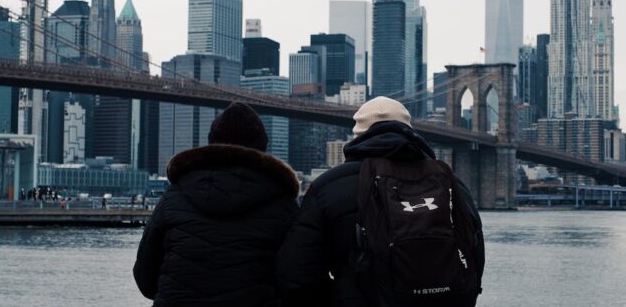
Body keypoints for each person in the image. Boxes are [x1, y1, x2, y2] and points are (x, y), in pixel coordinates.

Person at [277, 96, 484, 307]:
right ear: (411, 132)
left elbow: (296, 275)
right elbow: (475, 257)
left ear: (357, 136)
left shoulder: (329, 186)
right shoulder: (451, 182)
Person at [133, 102, 299, 307]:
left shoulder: (173, 197)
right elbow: (298, 281)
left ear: (211, 142)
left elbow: (145, 279)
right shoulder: (284, 205)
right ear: (262, 148)